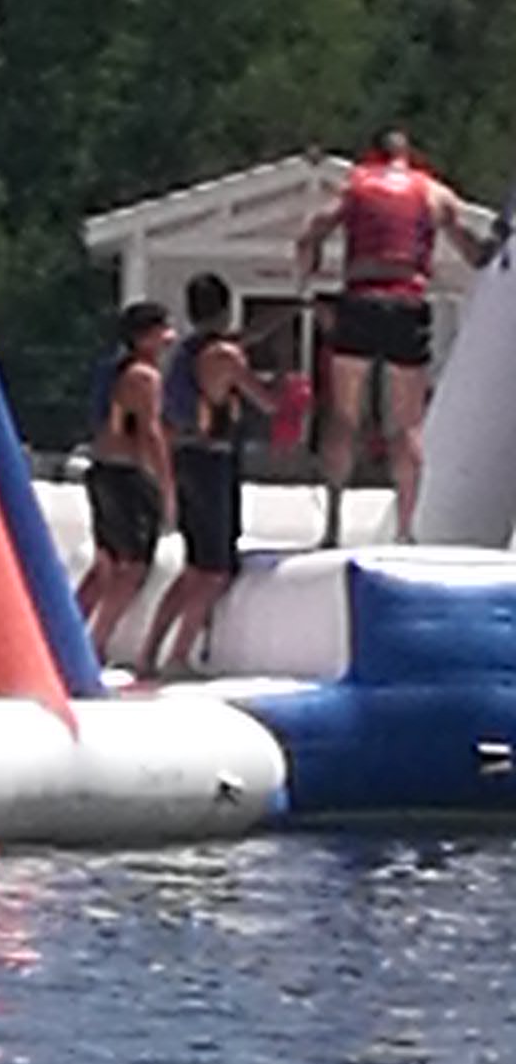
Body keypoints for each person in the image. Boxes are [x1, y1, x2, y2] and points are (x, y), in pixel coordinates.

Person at [296, 126, 487, 541]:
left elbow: (312, 230)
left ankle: (332, 525)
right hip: (406, 304)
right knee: (407, 425)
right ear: (408, 156)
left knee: (344, 417)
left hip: (360, 300)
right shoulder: (432, 192)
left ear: (373, 154)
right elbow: (471, 250)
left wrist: (307, 272)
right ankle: (405, 528)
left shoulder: (355, 186)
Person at [143, 276, 268, 678]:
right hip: (212, 461)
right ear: (226, 310)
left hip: (184, 457)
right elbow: (264, 400)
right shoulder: (225, 355)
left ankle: (149, 652)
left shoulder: (183, 353)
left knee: (194, 566)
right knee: (215, 571)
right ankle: (179, 656)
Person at [76, 305, 171, 655]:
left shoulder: (113, 371)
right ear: (145, 337)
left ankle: (65, 637)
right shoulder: (144, 377)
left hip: (102, 470)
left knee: (106, 563)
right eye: (163, 330)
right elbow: (150, 433)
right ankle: (95, 644)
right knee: (132, 568)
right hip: (126, 475)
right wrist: (166, 484)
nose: (169, 337)